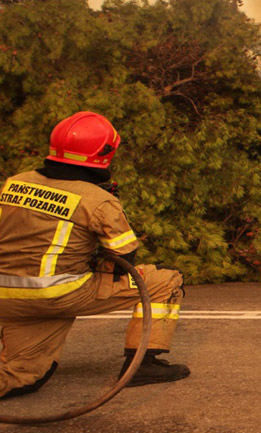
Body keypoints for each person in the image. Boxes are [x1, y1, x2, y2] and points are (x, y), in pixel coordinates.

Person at [0, 111, 190, 398]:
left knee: (21, 377)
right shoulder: (98, 200)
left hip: (8, 298)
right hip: (58, 295)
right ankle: (144, 365)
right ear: (104, 154)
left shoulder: (15, 183)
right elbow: (123, 258)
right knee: (165, 279)